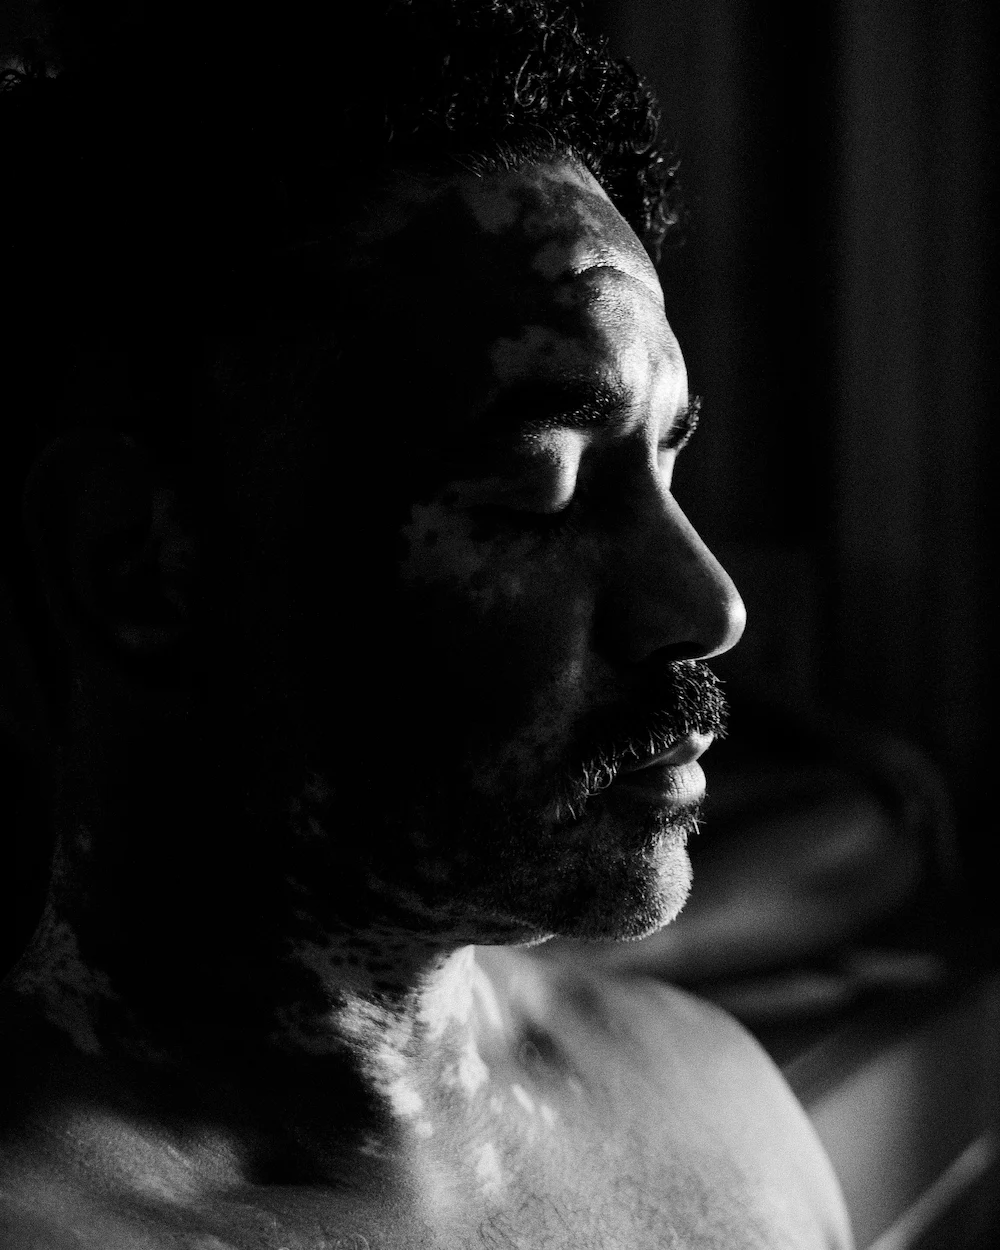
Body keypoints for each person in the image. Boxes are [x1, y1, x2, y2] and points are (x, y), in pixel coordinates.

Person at [0, 1, 854, 1245]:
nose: (710, 606)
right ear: (139, 563)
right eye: (539, 486)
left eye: (666, 464)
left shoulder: (718, 1109)